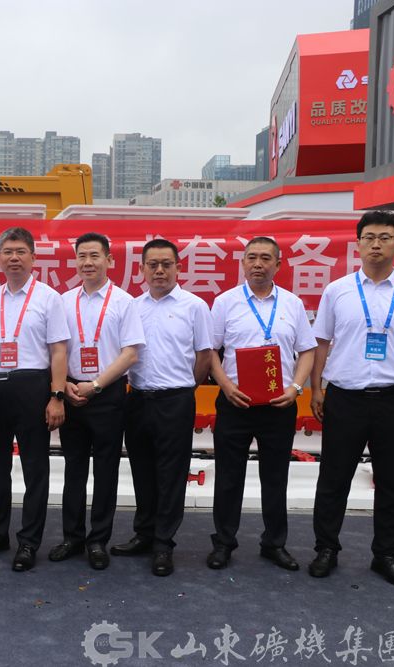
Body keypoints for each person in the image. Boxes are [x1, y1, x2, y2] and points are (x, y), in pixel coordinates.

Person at [308, 211, 394, 588]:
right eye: (369, 237)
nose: (376, 244)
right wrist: (316, 389)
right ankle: (326, 549)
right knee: (334, 478)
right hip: (345, 398)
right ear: (358, 243)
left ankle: (387, 555)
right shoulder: (338, 291)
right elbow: (321, 342)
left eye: (385, 237)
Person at [207, 237, 315, 571]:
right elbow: (210, 351)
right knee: (228, 477)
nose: (258, 264)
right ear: (242, 262)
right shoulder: (225, 302)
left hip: (279, 405)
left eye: (266, 258)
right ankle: (224, 543)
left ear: (278, 264)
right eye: (251, 257)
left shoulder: (292, 304)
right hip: (235, 403)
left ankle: (274, 543)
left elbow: (307, 350)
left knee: (275, 477)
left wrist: (296, 388)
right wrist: (225, 386)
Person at [0, 227, 69, 572]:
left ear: (33, 257)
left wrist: (56, 395)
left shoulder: (48, 298)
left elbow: (58, 350)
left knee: (34, 468)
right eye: (8, 252)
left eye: (20, 251)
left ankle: (28, 541)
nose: (14, 258)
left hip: (32, 387)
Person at [113, 238, 213, 576]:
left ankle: (163, 543)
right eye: (152, 264)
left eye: (166, 264)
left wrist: (185, 388)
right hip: (138, 398)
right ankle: (144, 533)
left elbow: (204, 356)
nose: (159, 270)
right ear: (141, 269)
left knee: (171, 474)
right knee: (142, 470)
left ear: (178, 268)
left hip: (176, 399)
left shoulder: (194, 306)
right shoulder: (132, 306)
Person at [51, 232, 145, 571]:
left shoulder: (124, 302)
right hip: (71, 393)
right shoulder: (63, 301)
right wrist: (64, 386)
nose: (88, 262)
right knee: (74, 469)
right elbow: (55, 349)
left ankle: (97, 540)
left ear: (109, 260)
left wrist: (94, 386)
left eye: (94, 256)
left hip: (107, 395)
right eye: (82, 256)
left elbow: (130, 353)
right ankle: (72, 537)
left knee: (106, 471)